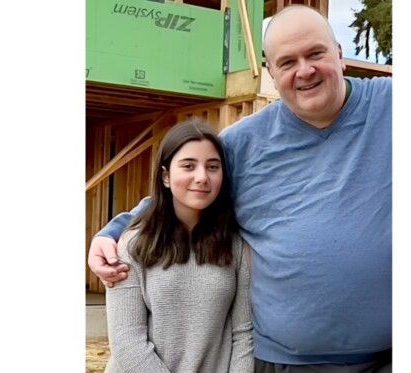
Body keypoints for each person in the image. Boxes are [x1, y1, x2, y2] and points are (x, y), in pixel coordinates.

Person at [89, 5, 392, 373]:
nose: (305, 71)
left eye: (316, 53)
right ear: (271, 73)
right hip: (283, 363)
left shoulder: (390, 106)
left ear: (340, 54)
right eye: (287, 62)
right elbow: (186, 190)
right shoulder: (244, 143)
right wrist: (113, 230)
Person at [102, 118, 254, 373]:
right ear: (165, 176)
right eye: (188, 166)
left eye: (213, 166)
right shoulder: (133, 244)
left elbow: (244, 336)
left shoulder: (235, 246)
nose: (202, 177)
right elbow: (127, 341)